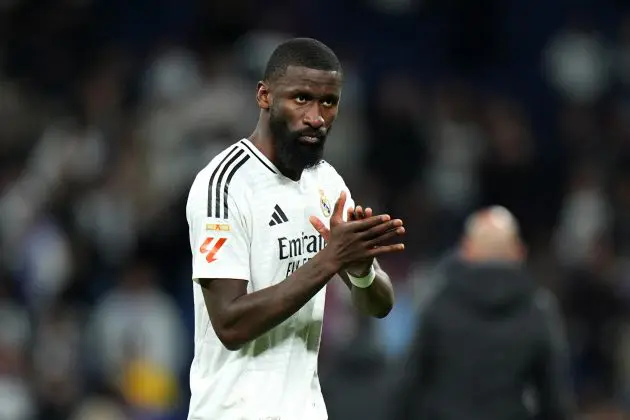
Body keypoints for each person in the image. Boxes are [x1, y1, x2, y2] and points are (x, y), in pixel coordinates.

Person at [185, 38, 406, 420]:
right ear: (264, 96)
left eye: (329, 102)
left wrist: (361, 269)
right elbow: (229, 323)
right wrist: (331, 258)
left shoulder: (327, 184)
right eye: (301, 98)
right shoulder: (223, 186)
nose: (316, 117)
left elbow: (380, 305)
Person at [394, 206, 574, 420]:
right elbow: (554, 400)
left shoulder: (438, 304)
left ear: (466, 249)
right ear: (518, 251)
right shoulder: (537, 310)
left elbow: (408, 385)